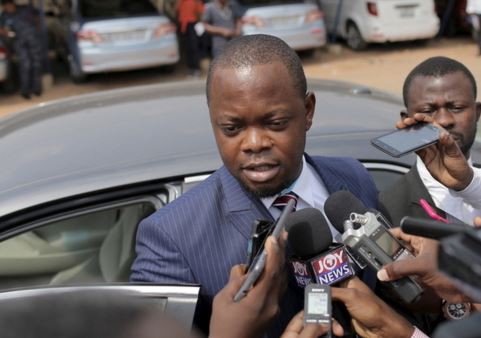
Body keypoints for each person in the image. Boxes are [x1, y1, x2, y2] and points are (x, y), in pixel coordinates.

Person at [131, 34, 379, 337]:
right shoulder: (169, 238)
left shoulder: (354, 177)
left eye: (275, 123)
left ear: (308, 112)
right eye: (232, 128)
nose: (254, 143)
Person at [379, 56, 481, 227]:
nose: (443, 120)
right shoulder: (388, 208)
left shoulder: (476, 184)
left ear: (477, 113)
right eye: (427, 111)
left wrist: (470, 185)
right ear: (407, 121)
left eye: (456, 108)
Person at [0, 0, 43, 99]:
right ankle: (25, 90)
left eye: (9, 5)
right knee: (25, 65)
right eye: (5, 6)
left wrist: (37, 28)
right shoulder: (4, 15)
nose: (8, 8)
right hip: (19, 42)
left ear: (12, 4)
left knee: (36, 63)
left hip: (33, 40)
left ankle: (37, 88)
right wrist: (6, 33)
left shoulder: (24, 9)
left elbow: (37, 17)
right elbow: (1, 29)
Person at [176, 0, 204, 76]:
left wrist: (200, 22)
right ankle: (190, 68)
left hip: (192, 24)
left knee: (194, 46)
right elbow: (177, 10)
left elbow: (200, 12)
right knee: (187, 47)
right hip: (183, 25)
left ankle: (196, 68)